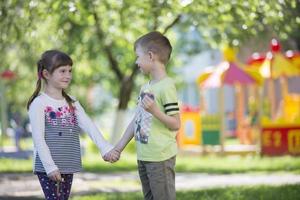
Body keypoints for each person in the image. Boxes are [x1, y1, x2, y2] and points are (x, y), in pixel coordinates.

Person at [27, 50, 117, 200]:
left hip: (68, 163)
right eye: (62, 71)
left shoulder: (72, 102)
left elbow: (89, 126)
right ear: (46, 74)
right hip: (49, 167)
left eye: (70, 71)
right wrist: (50, 167)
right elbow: (38, 139)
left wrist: (105, 148)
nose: (68, 75)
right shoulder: (39, 103)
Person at [105, 31, 181, 200]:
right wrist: (118, 148)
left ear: (150, 56)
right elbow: (136, 121)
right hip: (144, 157)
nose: (136, 61)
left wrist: (155, 111)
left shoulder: (166, 86)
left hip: (160, 157)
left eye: (138, 56)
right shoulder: (145, 88)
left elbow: (176, 124)